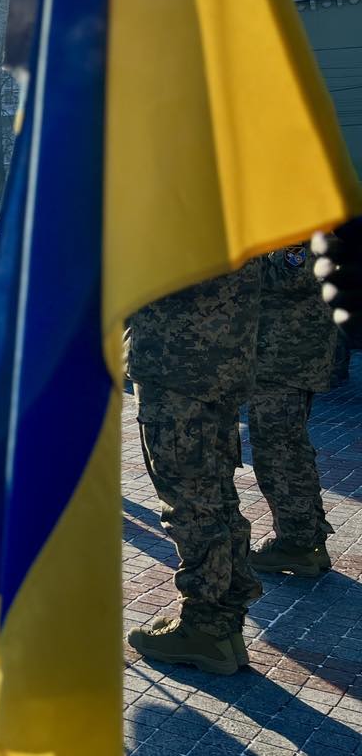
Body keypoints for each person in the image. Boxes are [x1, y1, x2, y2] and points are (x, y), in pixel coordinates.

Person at [125, 261, 263, 676]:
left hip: (176, 368)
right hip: (218, 365)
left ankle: (204, 630)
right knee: (217, 499)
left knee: (191, 505)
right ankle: (223, 626)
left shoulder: (180, 221)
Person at [246, 243, 338, 577]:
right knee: (289, 450)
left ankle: (297, 545)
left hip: (284, 361)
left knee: (279, 454)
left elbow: (291, 275)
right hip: (285, 359)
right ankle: (308, 541)